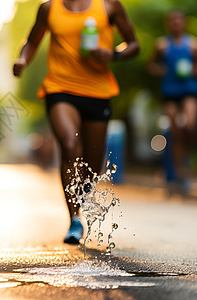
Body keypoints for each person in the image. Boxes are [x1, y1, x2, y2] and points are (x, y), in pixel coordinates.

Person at [13, 0, 139, 244]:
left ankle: (80, 199)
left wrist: (113, 54)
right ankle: (74, 219)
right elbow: (31, 41)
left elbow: (134, 45)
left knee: (91, 167)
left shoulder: (109, 6)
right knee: (70, 145)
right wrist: (22, 60)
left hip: (98, 91)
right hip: (60, 88)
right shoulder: (49, 8)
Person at [148, 10, 197, 194]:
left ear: (184, 23)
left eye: (179, 20)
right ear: (169, 23)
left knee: (189, 126)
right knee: (175, 132)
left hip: (188, 90)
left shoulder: (192, 44)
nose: (176, 23)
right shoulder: (161, 45)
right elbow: (151, 64)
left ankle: (186, 156)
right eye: (173, 21)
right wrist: (159, 70)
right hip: (169, 91)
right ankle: (179, 174)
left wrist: (193, 69)